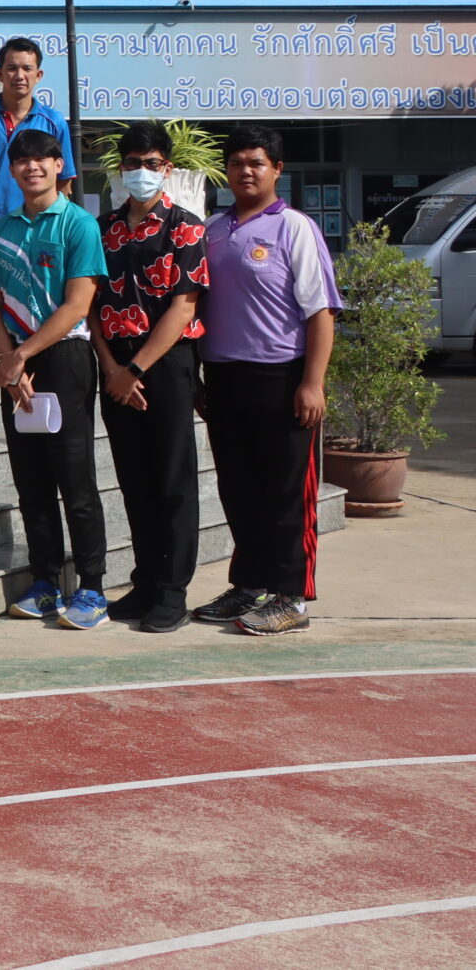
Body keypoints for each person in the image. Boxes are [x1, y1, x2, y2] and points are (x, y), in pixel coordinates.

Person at [195, 126, 340, 637]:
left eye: (256, 163)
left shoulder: (294, 228)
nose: (246, 171)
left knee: (285, 494)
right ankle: (249, 583)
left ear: (277, 169)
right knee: (239, 489)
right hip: (224, 378)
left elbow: (321, 312)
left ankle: (291, 597)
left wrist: (312, 383)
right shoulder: (212, 230)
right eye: (236, 163)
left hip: (281, 379)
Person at [0, 128, 110, 630]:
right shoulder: (1, 230)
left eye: (43, 158)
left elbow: (78, 305)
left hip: (64, 358)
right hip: (17, 361)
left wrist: (19, 357)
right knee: (31, 480)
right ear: (12, 170)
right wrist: (9, 360)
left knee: (75, 479)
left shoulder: (79, 224)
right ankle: (46, 581)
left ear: (59, 166)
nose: (32, 167)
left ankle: (92, 587)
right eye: (22, 160)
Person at [92, 121, 211, 633]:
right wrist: (112, 368)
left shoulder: (186, 227)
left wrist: (136, 369)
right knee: (134, 478)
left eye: (152, 163)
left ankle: (171, 590)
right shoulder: (103, 229)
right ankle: (144, 583)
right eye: (133, 163)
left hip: (165, 364)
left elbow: (184, 308)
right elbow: (89, 303)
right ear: (121, 169)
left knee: (172, 479)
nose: (142, 171)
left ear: (167, 167)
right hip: (115, 364)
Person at [0, 37, 77, 219]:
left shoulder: (55, 122)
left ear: (38, 75)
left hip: (36, 226)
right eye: (11, 68)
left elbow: (63, 181)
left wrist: (51, 223)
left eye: (27, 68)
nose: (19, 76)